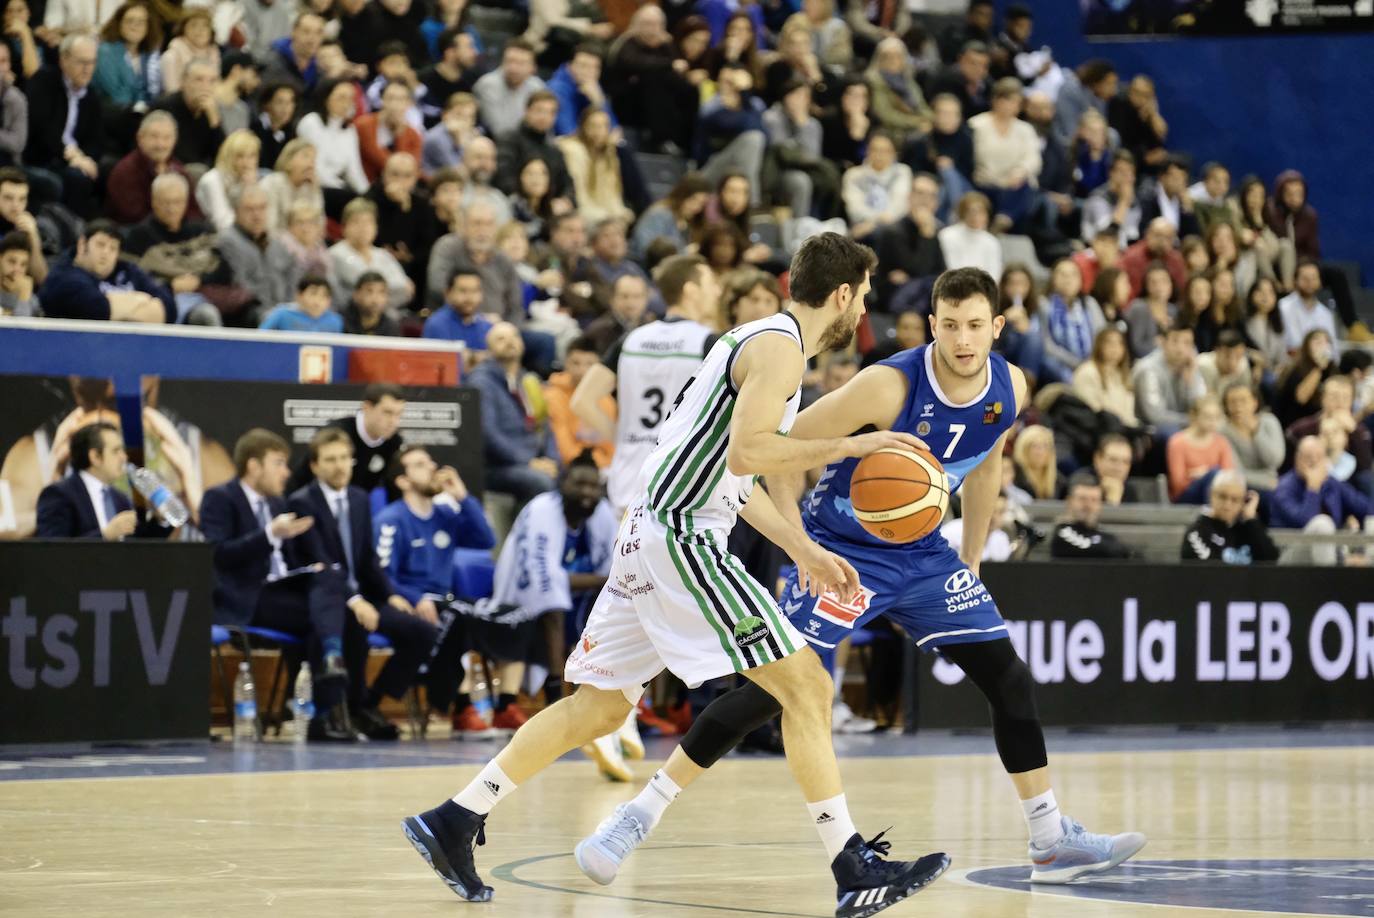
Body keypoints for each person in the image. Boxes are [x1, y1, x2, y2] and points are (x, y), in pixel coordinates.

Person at [401, 234, 953, 913]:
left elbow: (735, 474)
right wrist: (859, 442)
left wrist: (802, 549)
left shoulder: (758, 342)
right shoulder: (779, 350)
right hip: (683, 536)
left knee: (599, 708)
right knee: (807, 684)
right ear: (841, 294)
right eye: (864, 297)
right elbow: (753, 454)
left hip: (656, 530)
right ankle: (851, 865)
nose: (863, 311)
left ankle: (455, 818)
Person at [575, 265, 1144, 898]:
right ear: (932, 325)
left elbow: (985, 469)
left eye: (975, 326)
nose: (962, 340)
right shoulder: (886, 385)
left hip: (927, 555)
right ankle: (634, 818)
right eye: (949, 326)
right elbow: (777, 448)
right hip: (844, 552)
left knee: (1007, 676)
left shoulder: (1009, 385)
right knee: (771, 694)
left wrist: (975, 562)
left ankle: (1050, 839)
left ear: (997, 328)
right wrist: (801, 541)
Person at [199, 428, 355, 741]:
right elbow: (217, 556)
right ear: (254, 466)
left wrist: (310, 567)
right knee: (329, 618)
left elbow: (292, 559)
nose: (286, 472)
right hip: (246, 597)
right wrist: (269, 533)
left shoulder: (278, 503)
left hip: (284, 591)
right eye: (279, 463)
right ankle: (320, 709)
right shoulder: (220, 498)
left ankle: (327, 670)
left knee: (329, 579)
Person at [290, 426, 437, 741]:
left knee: (422, 631)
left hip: (368, 596)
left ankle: (370, 702)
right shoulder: (302, 502)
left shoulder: (359, 499)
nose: (340, 465)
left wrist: (390, 594)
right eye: (330, 459)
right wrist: (354, 599)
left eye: (345, 458)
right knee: (352, 624)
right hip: (328, 599)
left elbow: (368, 559)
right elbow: (321, 564)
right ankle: (342, 710)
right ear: (315, 466)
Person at [571, 255, 718, 516]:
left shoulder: (632, 339)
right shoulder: (708, 342)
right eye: (710, 284)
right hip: (679, 480)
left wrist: (622, 437)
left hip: (629, 477)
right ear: (691, 291)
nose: (717, 291)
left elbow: (581, 401)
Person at [489, 451, 619, 745]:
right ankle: (555, 700)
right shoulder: (541, 510)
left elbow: (614, 571)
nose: (587, 493)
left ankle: (603, 696)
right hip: (522, 600)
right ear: (562, 484)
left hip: (576, 597)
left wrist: (605, 583)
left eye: (593, 486)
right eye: (579, 485)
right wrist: (602, 581)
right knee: (553, 610)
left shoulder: (601, 515)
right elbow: (543, 584)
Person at [374, 445, 501, 729]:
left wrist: (463, 497)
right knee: (459, 617)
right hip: (410, 602)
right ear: (403, 481)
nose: (432, 467)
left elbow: (485, 540)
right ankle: (460, 705)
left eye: (431, 461)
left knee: (506, 616)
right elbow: (381, 574)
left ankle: (507, 702)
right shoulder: (390, 520)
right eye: (420, 464)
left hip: (446, 600)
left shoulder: (445, 514)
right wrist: (415, 597)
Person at [468, 321, 558, 505]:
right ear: (489, 349)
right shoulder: (481, 382)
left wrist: (551, 460)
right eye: (501, 339)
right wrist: (527, 462)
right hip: (497, 467)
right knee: (541, 482)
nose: (510, 342)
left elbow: (545, 425)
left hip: (532, 461)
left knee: (577, 478)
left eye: (514, 336)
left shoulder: (527, 380)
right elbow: (488, 434)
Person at [34, 421, 171, 539]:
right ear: (95, 457)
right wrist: (105, 535)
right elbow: (53, 550)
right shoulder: (58, 494)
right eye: (116, 451)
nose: (124, 457)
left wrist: (160, 519)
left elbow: (137, 544)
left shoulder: (120, 498)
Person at [23, 34, 103, 217]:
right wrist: (71, 156)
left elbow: (96, 139)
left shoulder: (91, 95)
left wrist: (87, 159)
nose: (87, 69)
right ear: (63, 60)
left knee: (104, 171)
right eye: (82, 62)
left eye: (92, 63)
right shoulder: (44, 81)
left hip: (74, 159)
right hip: (43, 157)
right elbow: (42, 130)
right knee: (75, 179)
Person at [38, 219, 174, 324]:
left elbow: (169, 308)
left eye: (113, 248)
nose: (106, 253)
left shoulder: (128, 270)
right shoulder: (62, 276)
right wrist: (141, 300)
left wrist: (117, 309)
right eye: (100, 244)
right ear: (82, 245)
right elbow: (97, 309)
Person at [287, 383, 408, 494]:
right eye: (387, 413)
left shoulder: (394, 443)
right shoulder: (335, 435)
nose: (394, 421)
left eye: (399, 414)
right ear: (367, 407)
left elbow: (394, 489)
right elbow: (303, 478)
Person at [1272, 436, 1371, 566]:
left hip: (1333, 552)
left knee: (1373, 521)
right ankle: (1331, 580)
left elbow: (1367, 507)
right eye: (1308, 457)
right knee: (1322, 523)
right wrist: (1313, 488)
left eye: (1319, 457)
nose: (1313, 461)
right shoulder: (1284, 488)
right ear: (1296, 459)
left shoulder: (1331, 483)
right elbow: (1305, 521)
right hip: (1289, 553)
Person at [217, 185, 299, 323]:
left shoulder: (276, 243)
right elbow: (240, 286)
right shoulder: (227, 242)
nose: (257, 215)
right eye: (249, 209)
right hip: (249, 315)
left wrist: (289, 309)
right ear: (236, 211)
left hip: (282, 311)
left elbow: (293, 277)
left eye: (262, 208)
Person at [105, 110, 195, 225]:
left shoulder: (179, 170)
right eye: (154, 137)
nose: (160, 144)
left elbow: (194, 212)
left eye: (167, 138)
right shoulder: (125, 172)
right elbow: (134, 217)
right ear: (140, 138)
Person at [870, 174, 946, 304]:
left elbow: (942, 272)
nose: (925, 200)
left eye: (931, 196)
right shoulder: (893, 231)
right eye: (920, 193)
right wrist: (926, 234)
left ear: (937, 203)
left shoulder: (943, 232)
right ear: (909, 197)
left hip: (929, 298)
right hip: (897, 299)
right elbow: (919, 271)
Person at [328, 198, 413, 311]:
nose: (363, 228)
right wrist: (385, 291)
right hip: (348, 317)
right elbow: (363, 283)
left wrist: (378, 297)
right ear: (344, 227)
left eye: (368, 222)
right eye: (356, 222)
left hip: (385, 317)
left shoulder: (383, 255)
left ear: (376, 228)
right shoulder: (335, 254)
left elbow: (405, 289)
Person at [1181, 469, 1278, 564]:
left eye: (1235, 500)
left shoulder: (1249, 531)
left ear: (1242, 502)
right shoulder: (1196, 532)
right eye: (1222, 497)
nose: (1227, 505)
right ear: (1211, 495)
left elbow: (1271, 560)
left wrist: (1251, 519)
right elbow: (1207, 573)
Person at [546, 336, 614, 469]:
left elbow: (611, 449)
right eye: (576, 363)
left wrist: (604, 465)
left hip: (603, 469)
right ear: (565, 364)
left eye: (589, 364)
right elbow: (563, 448)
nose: (582, 370)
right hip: (570, 467)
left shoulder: (607, 401)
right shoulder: (553, 396)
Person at [1132, 322, 1205, 437]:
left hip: (1184, 426)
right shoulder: (1148, 369)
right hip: (1151, 431)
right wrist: (1191, 421)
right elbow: (1154, 416)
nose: (1180, 349)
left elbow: (1201, 407)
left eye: (1187, 343)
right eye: (1175, 341)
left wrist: (1190, 382)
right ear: (1163, 343)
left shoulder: (1190, 365)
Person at [152, 58, 225, 168]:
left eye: (212, 81)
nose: (206, 86)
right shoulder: (165, 107)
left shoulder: (212, 111)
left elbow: (224, 157)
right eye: (199, 79)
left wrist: (215, 121)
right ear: (183, 81)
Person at [840, 130, 910, 239]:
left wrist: (876, 223)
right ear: (867, 151)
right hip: (861, 226)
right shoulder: (853, 175)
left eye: (885, 151)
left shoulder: (902, 171)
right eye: (875, 150)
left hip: (894, 227)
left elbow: (900, 205)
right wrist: (874, 221)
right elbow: (854, 208)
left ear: (894, 153)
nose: (880, 155)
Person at [1165, 395, 1235, 503]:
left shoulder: (1222, 442)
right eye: (1208, 417)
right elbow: (1178, 483)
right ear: (1194, 416)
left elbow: (1228, 476)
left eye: (1216, 417)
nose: (1213, 422)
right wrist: (1207, 476)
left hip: (1217, 493)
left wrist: (1204, 473)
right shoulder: (1177, 442)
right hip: (1185, 496)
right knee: (1213, 474)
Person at [473, 39, 545, 138]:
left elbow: (545, 127)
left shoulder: (537, 86)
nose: (513, 68)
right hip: (497, 145)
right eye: (510, 61)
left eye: (521, 63)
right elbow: (500, 131)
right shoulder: (488, 85)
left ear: (532, 68)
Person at [1220, 383, 1284, 492]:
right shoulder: (1223, 432)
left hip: (1273, 482)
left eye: (1243, 400)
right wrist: (1267, 482)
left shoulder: (1269, 421)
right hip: (1243, 486)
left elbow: (1275, 461)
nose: (1238, 406)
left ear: (1255, 402)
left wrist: (1256, 431)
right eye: (1232, 402)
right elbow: (1236, 471)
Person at [1050, 474, 1132, 559]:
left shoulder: (1103, 534)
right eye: (1082, 499)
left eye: (1094, 500)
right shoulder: (1063, 532)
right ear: (1069, 502)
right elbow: (1095, 548)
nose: (1088, 505)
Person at [1073, 326, 1138, 429]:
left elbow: (1129, 416)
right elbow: (1092, 412)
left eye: (1120, 343)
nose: (1115, 348)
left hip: (1125, 430)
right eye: (1110, 343)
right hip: (1100, 430)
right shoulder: (1087, 372)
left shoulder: (1124, 375)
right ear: (1099, 345)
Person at [1273, 329, 1335, 430]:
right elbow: (1301, 398)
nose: (1322, 345)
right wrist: (1319, 368)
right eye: (1317, 341)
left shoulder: (1332, 368)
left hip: (1320, 422)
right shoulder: (1296, 368)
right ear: (1307, 345)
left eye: (1326, 341)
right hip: (1295, 422)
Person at [422, 264, 493, 352]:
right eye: (463, 291)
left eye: (475, 291)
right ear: (448, 293)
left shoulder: (486, 326)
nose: (469, 298)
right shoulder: (436, 325)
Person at [1080, 151, 1141, 248]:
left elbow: (1132, 237)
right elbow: (1108, 235)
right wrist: (1124, 202)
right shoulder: (1097, 198)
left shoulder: (1134, 202)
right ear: (1111, 173)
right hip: (1094, 252)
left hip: (1122, 256)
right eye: (1122, 172)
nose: (1127, 178)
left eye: (1130, 172)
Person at [1278, 259, 1339, 352]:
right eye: (1305, 278)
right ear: (1295, 281)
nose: (1310, 283)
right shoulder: (1283, 307)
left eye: (1314, 278)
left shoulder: (1326, 314)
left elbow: (1333, 350)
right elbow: (1289, 344)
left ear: (1320, 282)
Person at [937, 190, 1001, 278]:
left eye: (981, 211)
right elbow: (951, 268)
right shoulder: (947, 235)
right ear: (962, 213)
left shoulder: (991, 241)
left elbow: (994, 274)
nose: (976, 216)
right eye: (972, 211)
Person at [259, 274, 342, 333]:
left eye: (324, 295)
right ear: (299, 296)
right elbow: (260, 338)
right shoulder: (281, 314)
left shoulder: (335, 320)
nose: (318, 300)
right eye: (313, 293)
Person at [1090, 432, 1148, 506]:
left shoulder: (1129, 491)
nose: (1119, 468)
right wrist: (1112, 500)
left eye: (1125, 462)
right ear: (1097, 459)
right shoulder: (1081, 485)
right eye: (1113, 460)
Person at [1012, 423, 1060, 500]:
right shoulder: (1013, 477)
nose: (1040, 452)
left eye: (1045, 446)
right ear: (1024, 450)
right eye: (1034, 446)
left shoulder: (1059, 481)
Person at [0, 229, 39, 315]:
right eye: (12, 261)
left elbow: (25, 328)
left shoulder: (31, 299)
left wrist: (24, 297)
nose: (17, 269)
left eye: (23, 264)